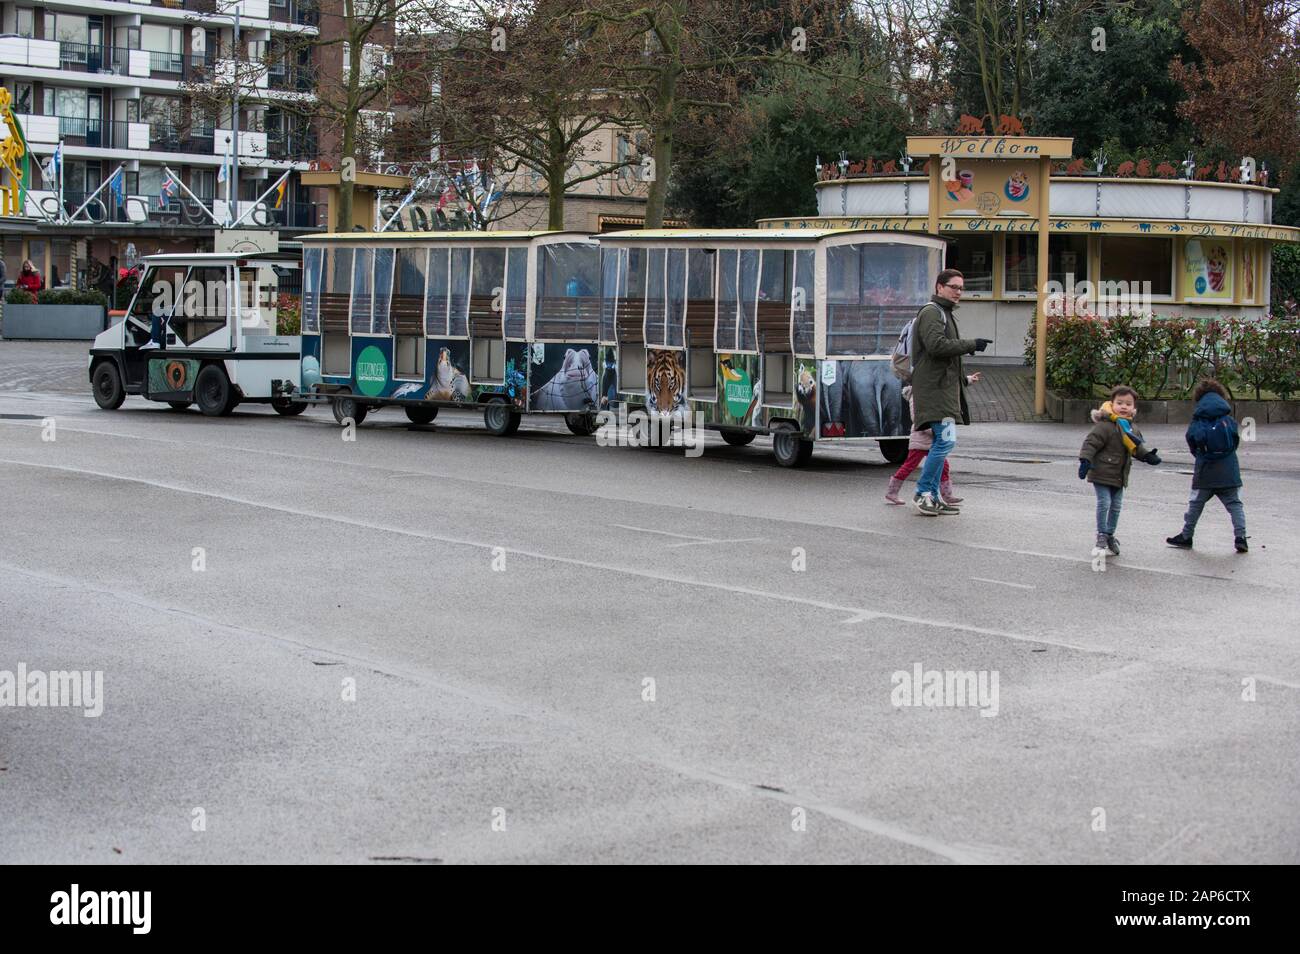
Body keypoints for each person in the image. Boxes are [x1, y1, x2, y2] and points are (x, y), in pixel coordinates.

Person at [908, 268, 991, 515]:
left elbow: (944, 359)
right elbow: (936, 346)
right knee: (945, 441)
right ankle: (923, 492)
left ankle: (933, 496)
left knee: (941, 443)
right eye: (954, 287)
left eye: (961, 288)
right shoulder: (932, 313)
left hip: (940, 390)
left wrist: (963, 381)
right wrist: (971, 345)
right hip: (934, 393)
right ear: (939, 287)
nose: (958, 292)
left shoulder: (944, 313)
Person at [1166, 379, 1248, 553]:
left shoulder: (1198, 419)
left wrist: (1201, 456)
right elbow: (1234, 442)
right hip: (1229, 471)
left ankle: (1186, 536)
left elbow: (1191, 440)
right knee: (1235, 505)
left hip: (1205, 471)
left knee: (1195, 504)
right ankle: (1241, 538)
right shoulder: (1228, 419)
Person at [1078, 385, 1161, 556]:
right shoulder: (1105, 426)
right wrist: (1085, 460)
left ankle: (1109, 535)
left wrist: (1147, 456)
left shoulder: (1131, 428)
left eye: (1128, 404)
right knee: (1105, 503)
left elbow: (1136, 448)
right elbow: (1091, 443)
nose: (1124, 407)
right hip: (1101, 472)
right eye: (1120, 403)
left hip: (1120, 475)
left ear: (1134, 408)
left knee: (1116, 506)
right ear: (1111, 404)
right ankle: (1101, 535)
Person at [885, 375, 981, 506]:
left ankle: (946, 495)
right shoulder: (916, 395)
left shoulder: (927, 392)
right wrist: (936, 429)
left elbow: (950, 380)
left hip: (933, 439)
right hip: (921, 438)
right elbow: (917, 418)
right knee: (909, 465)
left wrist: (968, 379)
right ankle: (892, 492)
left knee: (944, 466)